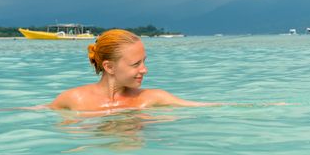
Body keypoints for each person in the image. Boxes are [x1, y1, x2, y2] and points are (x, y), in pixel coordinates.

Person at [49, 29, 216, 111]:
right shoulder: (74, 100)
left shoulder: (152, 98)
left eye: (144, 62)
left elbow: (204, 107)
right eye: (136, 64)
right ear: (109, 67)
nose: (145, 70)